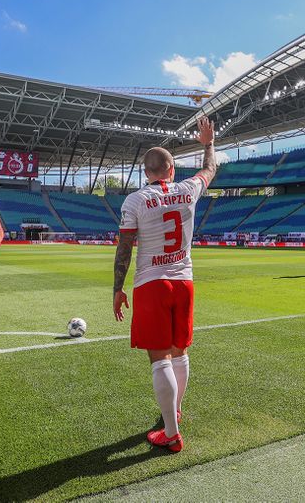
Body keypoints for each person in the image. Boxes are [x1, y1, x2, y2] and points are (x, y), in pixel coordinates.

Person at [112, 116, 218, 453]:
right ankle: (174, 413)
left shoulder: (135, 200)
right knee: (180, 353)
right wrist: (208, 143)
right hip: (184, 282)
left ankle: (171, 434)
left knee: (159, 359)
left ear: (147, 173)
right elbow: (210, 169)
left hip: (151, 284)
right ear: (172, 169)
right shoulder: (188, 190)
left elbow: (125, 248)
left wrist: (118, 288)